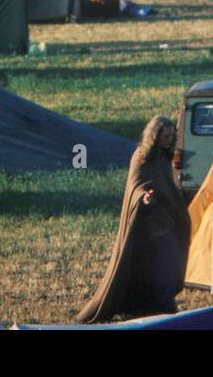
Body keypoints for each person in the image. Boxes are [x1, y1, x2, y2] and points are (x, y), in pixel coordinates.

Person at [76, 115, 191, 323]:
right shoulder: (141, 155)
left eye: (171, 136)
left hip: (164, 219)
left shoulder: (164, 157)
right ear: (155, 135)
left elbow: (167, 186)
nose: (168, 139)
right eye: (165, 136)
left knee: (169, 259)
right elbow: (135, 185)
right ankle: (162, 304)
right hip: (146, 223)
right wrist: (143, 196)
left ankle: (160, 302)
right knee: (163, 258)